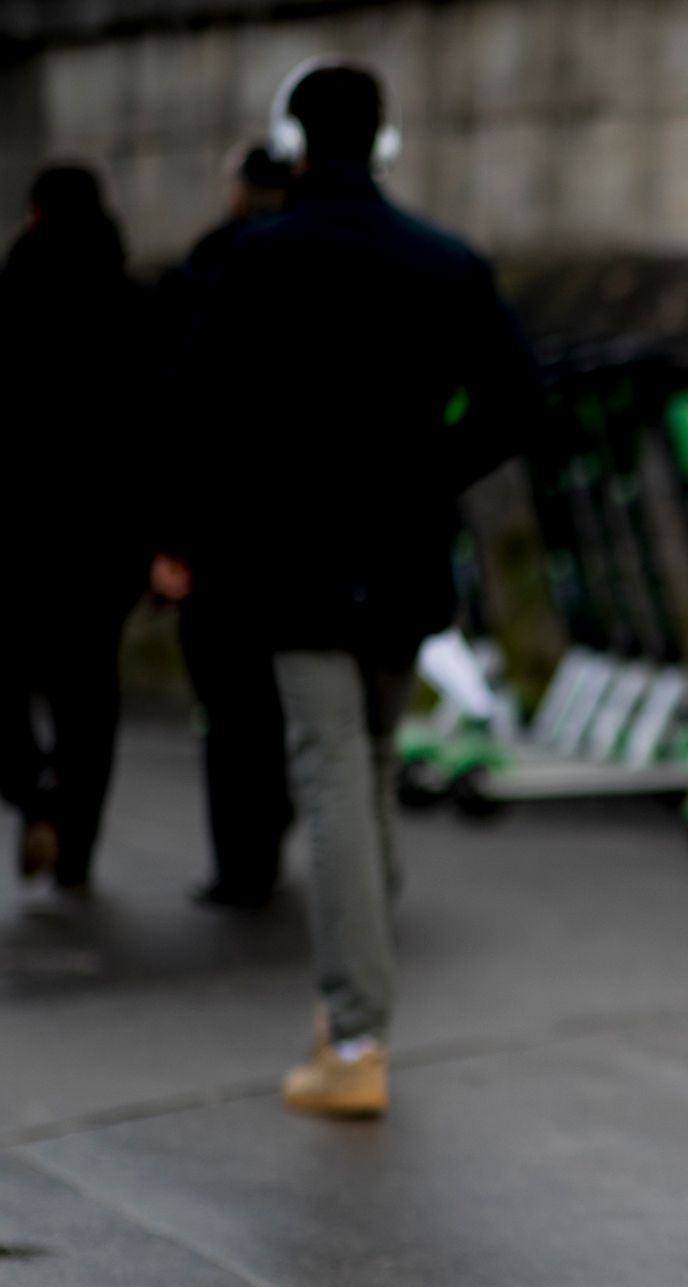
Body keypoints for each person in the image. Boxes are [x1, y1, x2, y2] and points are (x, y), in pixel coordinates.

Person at [172, 62, 537, 1118]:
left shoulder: (256, 259)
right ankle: (356, 1006)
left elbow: (193, 404)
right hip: (406, 555)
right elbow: (517, 405)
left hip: (293, 562)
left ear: (293, 139)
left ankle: (357, 1037)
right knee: (367, 769)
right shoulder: (447, 263)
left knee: (330, 775)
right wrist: (429, 469)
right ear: (384, 141)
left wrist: (217, 516)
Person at [0, 165, 154, 892]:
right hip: (108, 538)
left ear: (34, 214)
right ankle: (74, 845)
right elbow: (161, 427)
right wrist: (167, 538)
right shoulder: (136, 309)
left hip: (5, 531)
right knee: (87, 687)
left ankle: (31, 787)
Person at [156, 145, 295, 910]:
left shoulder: (206, 271)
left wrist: (169, 534)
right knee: (285, 692)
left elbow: (175, 407)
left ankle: (238, 858)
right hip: (299, 520)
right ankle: (272, 820)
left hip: (216, 519)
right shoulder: (318, 268)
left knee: (226, 699)